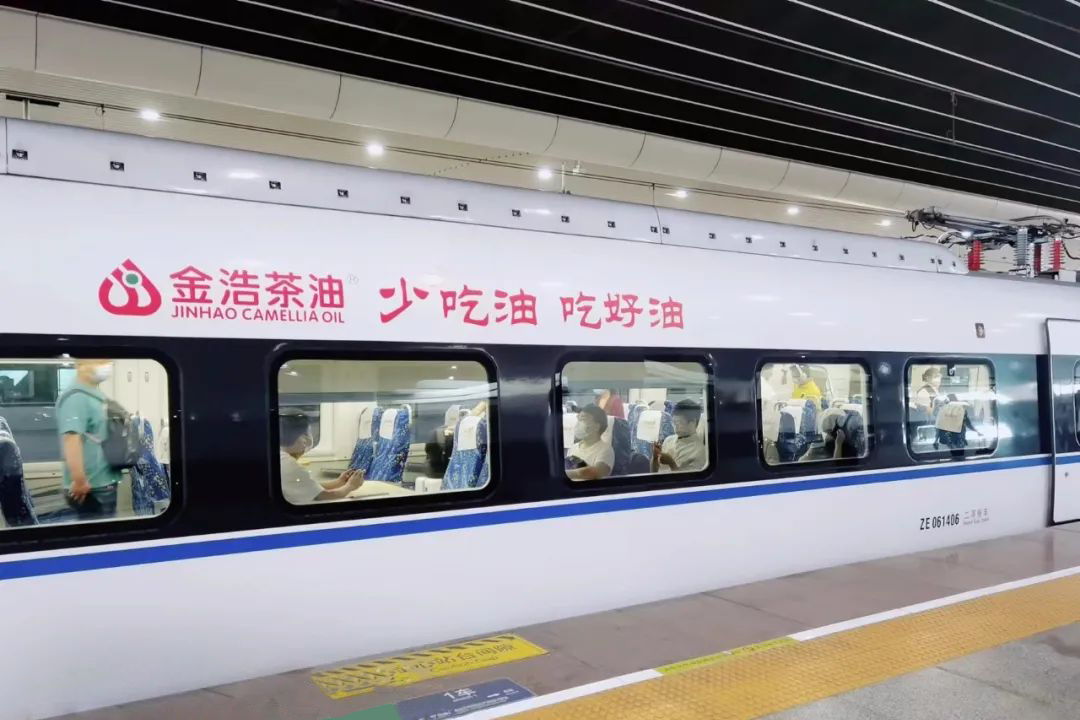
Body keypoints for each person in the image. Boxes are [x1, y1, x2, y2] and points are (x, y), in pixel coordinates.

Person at [56, 359, 123, 520]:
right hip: (92, 488)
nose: (107, 366)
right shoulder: (76, 397)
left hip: (103, 482)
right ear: (82, 365)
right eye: (100, 361)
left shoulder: (94, 395)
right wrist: (80, 481)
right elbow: (72, 439)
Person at [280, 410, 364, 503]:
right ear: (303, 439)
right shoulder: (289, 464)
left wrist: (339, 482)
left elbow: (308, 487)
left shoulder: (282, 458)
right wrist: (350, 486)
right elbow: (324, 496)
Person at [653, 400, 707, 472]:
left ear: (693, 422)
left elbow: (690, 479)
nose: (675, 427)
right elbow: (654, 473)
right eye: (674, 423)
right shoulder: (668, 440)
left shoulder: (699, 451)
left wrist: (671, 463)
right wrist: (655, 458)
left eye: (679, 422)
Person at [566, 404, 614, 481]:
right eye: (578, 419)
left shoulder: (606, 450)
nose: (578, 424)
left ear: (596, 427)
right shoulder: (573, 447)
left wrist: (565, 474)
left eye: (583, 419)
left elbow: (596, 472)